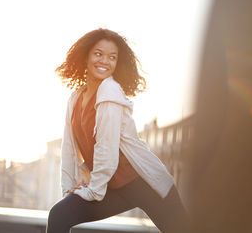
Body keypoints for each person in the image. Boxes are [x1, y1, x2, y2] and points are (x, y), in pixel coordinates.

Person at [46, 28, 188, 233]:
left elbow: (106, 150)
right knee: (60, 214)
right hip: (112, 187)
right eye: (98, 54)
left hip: (144, 183)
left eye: (112, 57)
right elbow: (68, 147)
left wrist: (92, 191)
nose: (105, 61)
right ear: (85, 56)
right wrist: (71, 188)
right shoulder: (75, 99)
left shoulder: (109, 92)